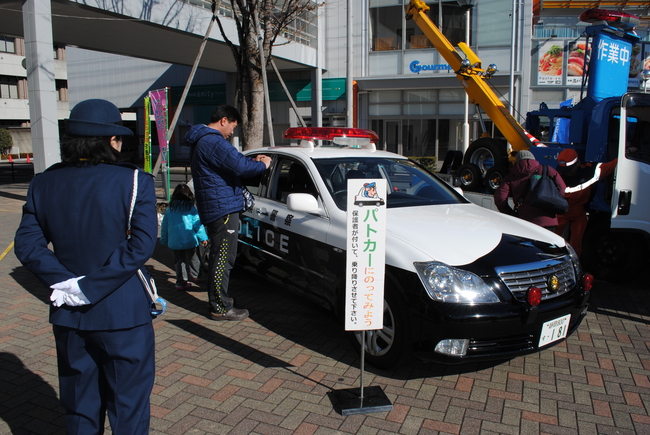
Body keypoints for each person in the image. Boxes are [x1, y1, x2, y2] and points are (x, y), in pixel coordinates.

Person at [14, 99, 159, 434]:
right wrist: (87, 287)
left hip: (69, 312)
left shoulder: (44, 182)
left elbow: (28, 245)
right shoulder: (135, 181)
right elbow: (140, 245)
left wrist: (68, 284)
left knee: (79, 403)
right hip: (123, 312)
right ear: (111, 141)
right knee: (129, 406)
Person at [186, 105, 271, 321]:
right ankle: (220, 307)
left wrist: (252, 162)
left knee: (220, 257)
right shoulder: (213, 141)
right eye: (232, 126)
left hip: (217, 206)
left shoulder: (203, 141)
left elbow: (231, 165)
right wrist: (263, 165)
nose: (232, 132)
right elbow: (241, 167)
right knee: (223, 259)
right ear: (224, 120)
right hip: (222, 209)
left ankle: (220, 301)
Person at [555, 148, 618, 257]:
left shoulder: (591, 172)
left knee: (577, 243)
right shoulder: (558, 174)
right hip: (561, 212)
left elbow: (612, 165)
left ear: (578, 163)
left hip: (578, 212)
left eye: (569, 170)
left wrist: (627, 154)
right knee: (551, 240)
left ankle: (575, 263)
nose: (567, 173)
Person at [494, 150, 566, 231]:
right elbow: (562, 189)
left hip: (524, 222)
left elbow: (499, 198)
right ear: (533, 159)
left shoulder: (511, 177)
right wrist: (553, 203)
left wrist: (509, 213)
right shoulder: (547, 170)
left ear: (517, 161)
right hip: (548, 220)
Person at [160, 183, 209, 290]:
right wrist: (203, 238)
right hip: (190, 239)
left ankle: (181, 282)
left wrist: (164, 239)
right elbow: (198, 225)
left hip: (175, 241)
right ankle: (196, 275)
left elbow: (164, 226)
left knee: (179, 262)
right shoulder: (191, 209)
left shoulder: (170, 209)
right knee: (194, 258)